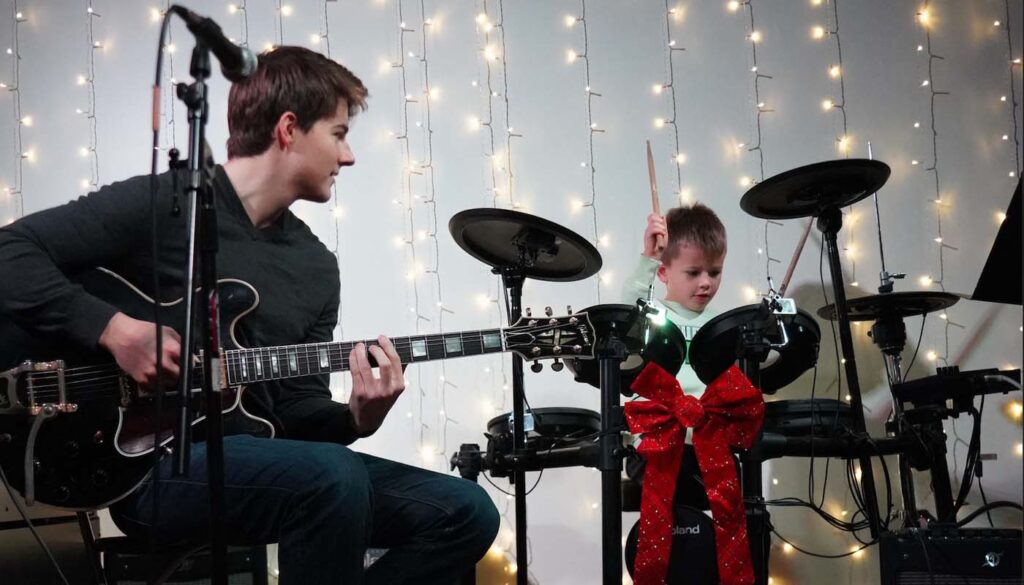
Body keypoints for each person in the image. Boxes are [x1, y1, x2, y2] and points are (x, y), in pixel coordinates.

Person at [0, 46, 498, 585]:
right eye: (337, 133)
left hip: (260, 462)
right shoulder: (172, 202)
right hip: (137, 468)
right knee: (331, 478)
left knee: (465, 511)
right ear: (289, 129)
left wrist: (355, 419)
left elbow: (296, 404)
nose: (348, 155)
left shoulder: (314, 267)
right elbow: (10, 252)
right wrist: (113, 330)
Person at [622, 203, 728, 399]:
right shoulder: (653, 313)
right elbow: (630, 305)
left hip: (711, 421)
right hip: (660, 419)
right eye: (693, 273)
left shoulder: (722, 324)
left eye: (714, 272)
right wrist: (650, 258)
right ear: (663, 273)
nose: (706, 282)